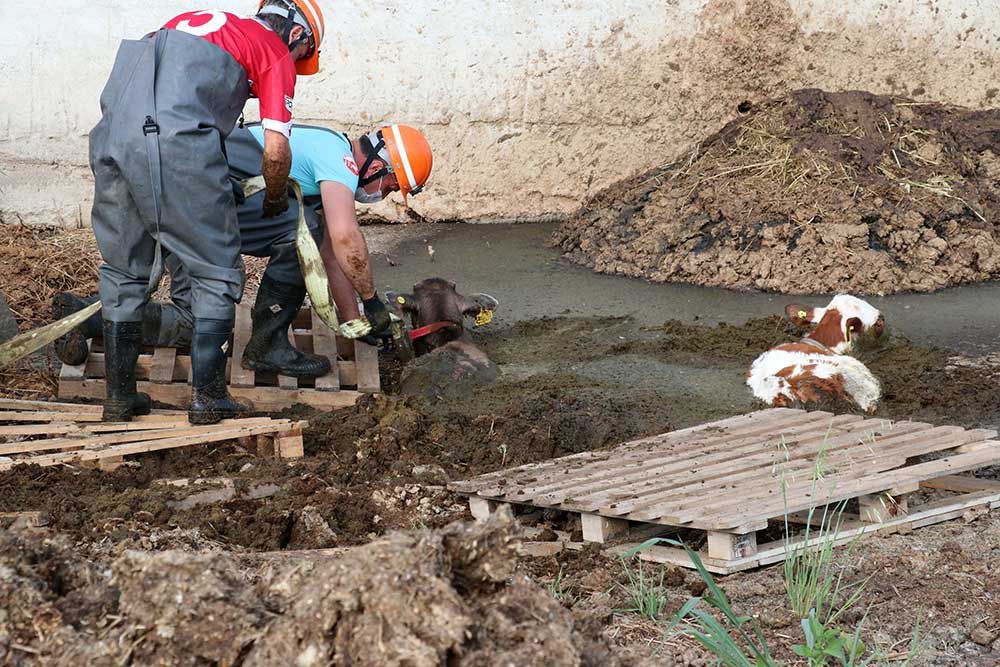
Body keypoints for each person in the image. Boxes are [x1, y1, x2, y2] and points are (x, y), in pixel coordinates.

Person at [89, 0, 326, 425]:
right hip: (177, 140)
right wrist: (273, 197)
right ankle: (209, 400)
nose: (295, 63)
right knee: (216, 269)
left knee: (124, 270)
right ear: (296, 35)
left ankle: (120, 398)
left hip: (112, 134)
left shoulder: (192, 23)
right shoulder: (274, 50)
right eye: (301, 56)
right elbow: (275, 151)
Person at [57, 122, 434, 382]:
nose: (381, 196)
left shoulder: (326, 151)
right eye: (389, 186)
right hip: (199, 205)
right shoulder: (341, 162)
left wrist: (355, 323)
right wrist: (371, 301)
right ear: (381, 164)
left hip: (189, 198)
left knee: (198, 322)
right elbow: (345, 239)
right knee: (299, 230)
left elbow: (331, 255)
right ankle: (266, 345)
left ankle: (83, 317)